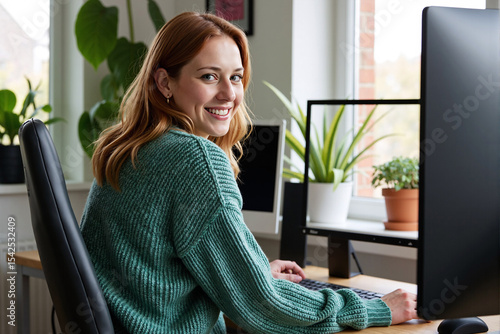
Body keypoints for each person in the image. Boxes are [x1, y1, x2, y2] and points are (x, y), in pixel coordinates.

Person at [80, 11, 418, 334]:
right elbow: (260, 306)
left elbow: (155, 276)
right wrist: (374, 309)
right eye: (209, 76)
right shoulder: (195, 159)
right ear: (165, 82)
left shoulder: (126, 148)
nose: (230, 94)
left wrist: (250, 273)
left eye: (236, 77)